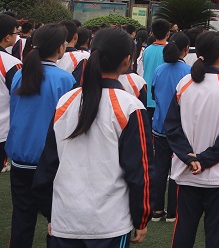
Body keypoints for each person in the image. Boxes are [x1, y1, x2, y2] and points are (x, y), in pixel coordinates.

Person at [35, 27, 154, 246]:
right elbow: (140, 171)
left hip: (65, 220)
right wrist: (142, 217)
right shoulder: (130, 107)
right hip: (109, 224)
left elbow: (47, 164)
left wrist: (51, 213)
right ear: (127, 61)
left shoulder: (66, 101)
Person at [164, 30, 219, 248]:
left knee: (184, 231)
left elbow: (171, 126)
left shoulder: (184, 84)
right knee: (217, 235)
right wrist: (203, 159)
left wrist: (190, 158)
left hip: (187, 171)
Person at [7, 23, 74, 247]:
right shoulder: (65, 79)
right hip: (50, 161)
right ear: (60, 47)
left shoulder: (21, 74)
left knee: (22, 219)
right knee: (57, 221)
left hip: (20, 156)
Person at [149, 32, 190, 222]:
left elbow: (154, 94)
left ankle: (157, 209)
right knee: (177, 169)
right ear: (186, 49)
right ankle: (173, 211)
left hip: (159, 125)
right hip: (180, 128)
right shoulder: (188, 71)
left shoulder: (159, 70)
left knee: (160, 168)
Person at [0, 14, 24, 167]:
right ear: (7, 37)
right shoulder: (11, 63)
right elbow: (21, 95)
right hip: (2, 129)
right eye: (16, 32)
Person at [137, 18, 172, 119]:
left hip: (147, 96)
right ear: (168, 33)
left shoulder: (147, 50)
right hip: (162, 97)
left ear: (152, 33)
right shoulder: (169, 50)